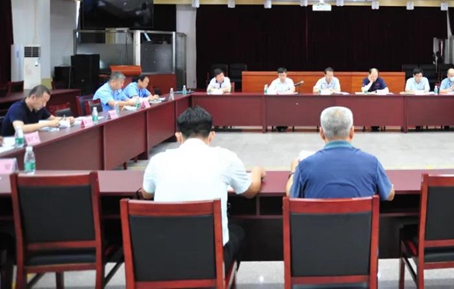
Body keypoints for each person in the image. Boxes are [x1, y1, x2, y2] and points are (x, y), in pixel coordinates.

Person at [140, 107, 266, 272]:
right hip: (210, 261)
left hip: (164, 259)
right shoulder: (225, 158)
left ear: (178, 137)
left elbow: (146, 194)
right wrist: (257, 171)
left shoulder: (158, 161)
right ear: (211, 135)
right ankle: (221, 278)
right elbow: (249, 191)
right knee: (238, 231)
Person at [286, 106, 394, 201]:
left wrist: (294, 171)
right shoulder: (372, 163)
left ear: (322, 133)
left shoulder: (305, 166)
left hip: (319, 219)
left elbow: (292, 196)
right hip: (358, 219)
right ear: (352, 132)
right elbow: (389, 195)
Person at [0, 85, 75, 142]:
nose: (44, 105)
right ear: (33, 97)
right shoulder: (17, 108)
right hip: (11, 144)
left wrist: (66, 119)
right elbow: (20, 128)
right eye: (43, 101)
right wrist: (47, 124)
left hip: (28, 141)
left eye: (46, 102)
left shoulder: (39, 107)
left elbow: (53, 118)